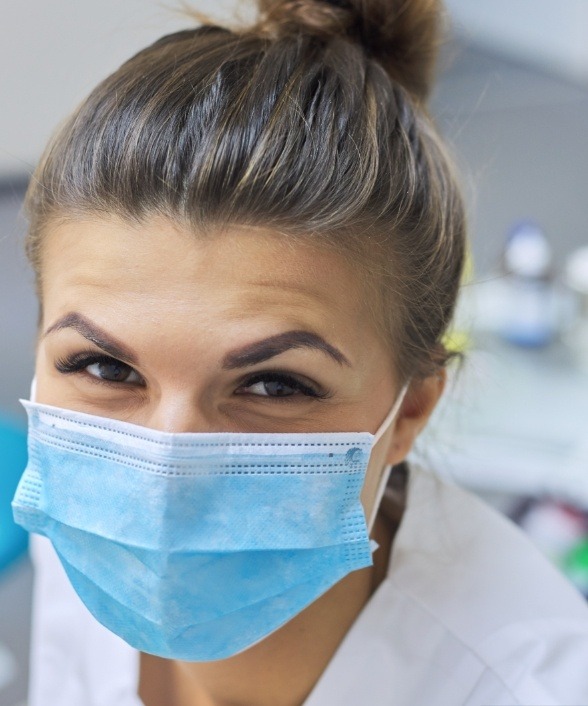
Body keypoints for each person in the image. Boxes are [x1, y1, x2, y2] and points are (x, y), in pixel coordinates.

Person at [11, 0, 588, 704]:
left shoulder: (533, 687)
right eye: (104, 367)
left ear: (411, 410)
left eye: (275, 386)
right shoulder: (86, 523)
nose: (164, 477)